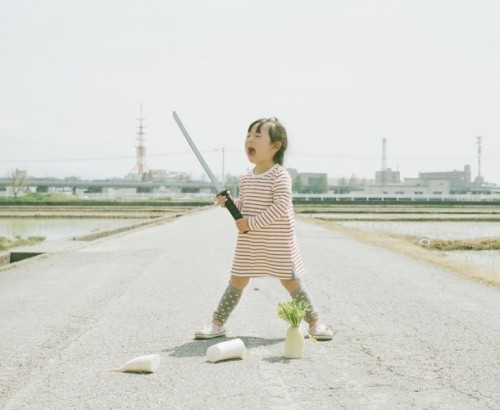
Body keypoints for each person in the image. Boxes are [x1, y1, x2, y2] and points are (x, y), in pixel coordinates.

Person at [195, 117, 333, 341]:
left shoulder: (280, 175)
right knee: (237, 280)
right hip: (250, 242)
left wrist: (250, 223)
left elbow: (281, 207)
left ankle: (315, 322)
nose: (250, 139)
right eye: (248, 135)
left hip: (277, 242)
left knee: (290, 281)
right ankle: (217, 323)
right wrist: (230, 203)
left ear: (275, 146)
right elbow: (245, 208)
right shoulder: (246, 177)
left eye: (258, 136)